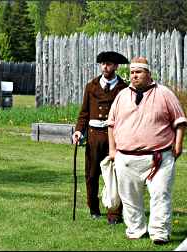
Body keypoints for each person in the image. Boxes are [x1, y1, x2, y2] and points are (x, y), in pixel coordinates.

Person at [107, 56, 187, 244]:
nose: (134, 76)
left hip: (159, 158)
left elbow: (180, 121)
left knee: (160, 194)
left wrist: (178, 146)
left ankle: (159, 233)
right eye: (132, 72)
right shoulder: (121, 96)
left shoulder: (164, 94)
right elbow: (111, 124)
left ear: (148, 73)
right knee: (129, 199)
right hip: (126, 158)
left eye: (139, 72)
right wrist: (113, 150)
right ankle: (135, 230)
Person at [72, 51, 129, 224]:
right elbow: (84, 113)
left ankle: (114, 213)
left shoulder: (123, 88)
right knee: (91, 174)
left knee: (116, 174)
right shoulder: (91, 86)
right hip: (94, 137)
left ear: (116, 66)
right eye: (103, 63)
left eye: (109, 64)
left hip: (114, 137)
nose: (106, 66)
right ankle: (93, 208)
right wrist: (78, 131)